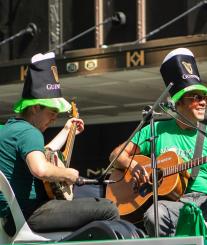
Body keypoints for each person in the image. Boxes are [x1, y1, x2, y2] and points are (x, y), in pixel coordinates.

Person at [110, 48, 207, 236]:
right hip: (177, 204)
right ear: (178, 102)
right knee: (154, 214)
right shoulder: (155, 129)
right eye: (197, 97)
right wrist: (133, 165)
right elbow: (115, 155)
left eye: (205, 97)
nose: (203, 102)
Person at [0, 52, 119, 235]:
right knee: (108, 209)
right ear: (35, 107)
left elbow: (42, 153)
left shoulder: (7, 131)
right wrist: (67, 173)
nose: (54, 118)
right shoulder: (30, 132)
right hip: (29, 214)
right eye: (52, 111)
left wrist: (66, 131)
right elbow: (40, 169)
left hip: (9, 218)